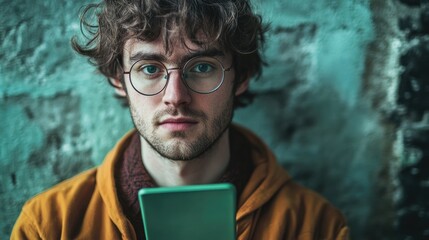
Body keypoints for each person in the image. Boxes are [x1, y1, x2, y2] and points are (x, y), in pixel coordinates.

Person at [11, 0, 349, 239]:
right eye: (149, 69)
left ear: (241, 76)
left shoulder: (317, 227)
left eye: (202, 67)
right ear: (118, 79)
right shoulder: (48, 226)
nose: (175, 96)